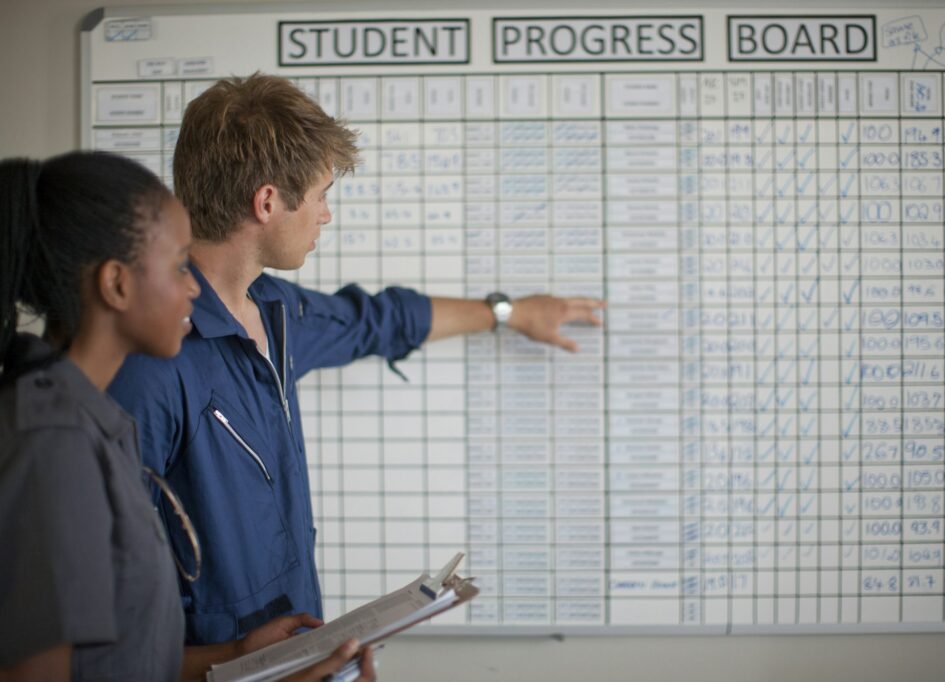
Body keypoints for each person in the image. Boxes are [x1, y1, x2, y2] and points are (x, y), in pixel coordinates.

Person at [107, 73, 605, 645]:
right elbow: (102, 601)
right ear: (267, 202)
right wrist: (231, 661)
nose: (325, 215)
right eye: (321, 195)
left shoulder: (275, 310)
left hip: (298, 656)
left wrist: (508, 313)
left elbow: (375, 321)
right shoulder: (150, 362)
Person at [0, 151, 373, 681]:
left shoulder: (91, 424)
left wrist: (242, 657)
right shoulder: (52, 446)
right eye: (179, 266)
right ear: (117, 284)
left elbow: (120, 663)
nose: (195, 287)